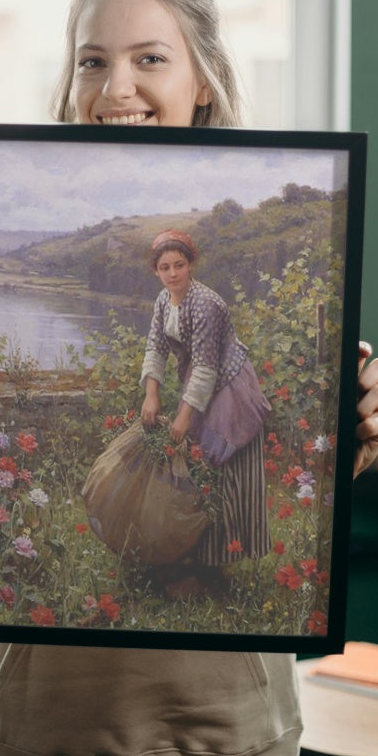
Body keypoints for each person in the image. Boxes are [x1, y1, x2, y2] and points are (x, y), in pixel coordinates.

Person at [0, 0, 378, 756]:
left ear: (203, 79)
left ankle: (194, 569)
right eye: (91, 60)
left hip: (213, 712)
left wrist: (348, 438)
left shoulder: (215, 290)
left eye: (149, 58)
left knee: (211, 496)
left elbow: (218, 383)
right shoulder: (156, 295)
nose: (114, 84)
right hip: (48, 715)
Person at [141, 229, 272, 576]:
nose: (172, 274)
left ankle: (216, 566)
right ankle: (196, 557)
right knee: (199, 465)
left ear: (191, 265)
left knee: (217, 462)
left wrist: (184, 416)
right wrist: (151, 394)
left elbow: (205, 367)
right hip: (201, 387)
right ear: (156, 270)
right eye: (164, 267)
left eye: (179, 265)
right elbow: (155, 347)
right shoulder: (162, 301)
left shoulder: (207, 304)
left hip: (229, 387)